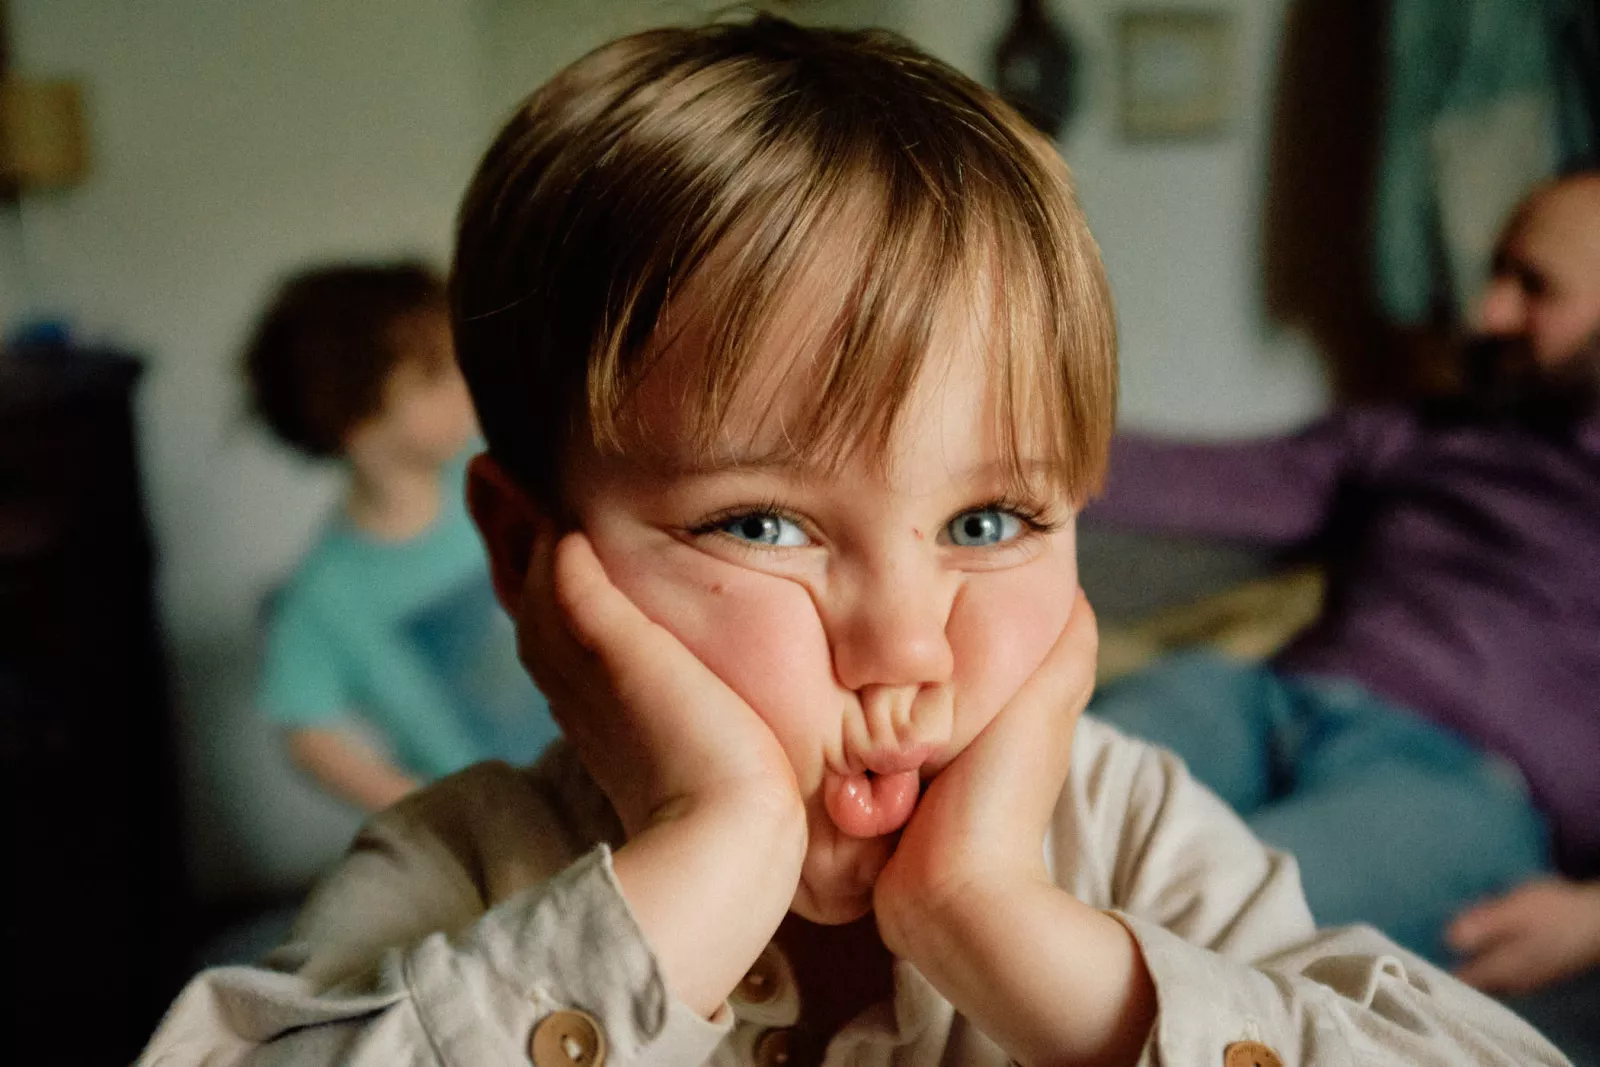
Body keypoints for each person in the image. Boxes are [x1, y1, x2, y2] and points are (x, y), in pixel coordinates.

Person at [139, 18, 1569, 1066]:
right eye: (763, 521)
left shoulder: (1123, 827)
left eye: (990, 520)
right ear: (528, 555)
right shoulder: (465, 863)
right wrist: (714, 856)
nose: (908, 640)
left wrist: (1000, 924)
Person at [1088, 172, 1600, 965]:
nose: (1486, 313)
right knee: (1018, 809)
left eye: (1533, 286)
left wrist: (1593, 919)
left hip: (1461, 784)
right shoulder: (1430, 432)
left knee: (1182, 938)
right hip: (1256, 698)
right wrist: (996, 444)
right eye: (1496, 273)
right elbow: (1204, 479)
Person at [243, 263, 559, 811]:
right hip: (517, 826)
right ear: (353, 413)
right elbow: (305, 733)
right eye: (434, 375)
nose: (464, 384)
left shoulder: (500, 472)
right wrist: (433, 812)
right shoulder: (326, 593)